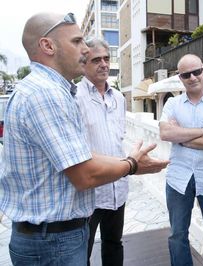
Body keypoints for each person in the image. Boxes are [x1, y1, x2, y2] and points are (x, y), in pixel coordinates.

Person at [0, 12, 169, 266]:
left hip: (54, 235)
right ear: (48, 46)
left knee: (113, 244)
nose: (84, 49)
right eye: (77, 41)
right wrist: (132, 165)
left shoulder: (49, 90)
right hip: (53, 241)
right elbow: (83, 174)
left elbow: (80, 155)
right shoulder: (46, 95)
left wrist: (127, 162)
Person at [159, 54, 203, 266]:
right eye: (186, 74)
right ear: (180, 78)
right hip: (178, 178)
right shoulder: (172, 103)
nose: (192, 77)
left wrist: (181, 136)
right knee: (177, 234)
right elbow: (165, 133)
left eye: (196, 71)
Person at [75, 37, 127, 266]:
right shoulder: (74, 97)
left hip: (118, 188)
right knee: (82, 251)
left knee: (114, 244)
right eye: (96, 59)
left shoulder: (119, 98)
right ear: (84, 63)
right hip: (91, 192)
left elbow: (119, 139)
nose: (104, 64)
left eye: (106, 58)